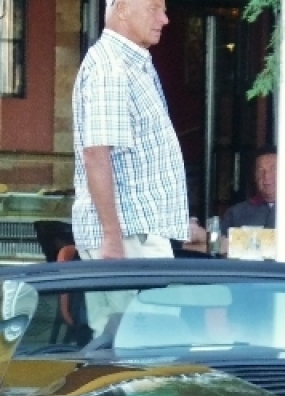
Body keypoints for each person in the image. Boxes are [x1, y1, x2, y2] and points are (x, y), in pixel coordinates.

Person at [71, 0, 197, 261]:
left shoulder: (128, 63)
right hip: (129, 240)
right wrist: (112, 237)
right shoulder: (111, 68)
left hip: (136, 235)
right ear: (123, 9)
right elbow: (96, 154)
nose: (164, 19)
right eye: (154, 8)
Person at [222, 148, 278, 230]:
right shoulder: (236, 213)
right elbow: (219, 240)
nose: (266, 176)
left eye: (273, 169)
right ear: (255, 176)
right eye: (261, 171)